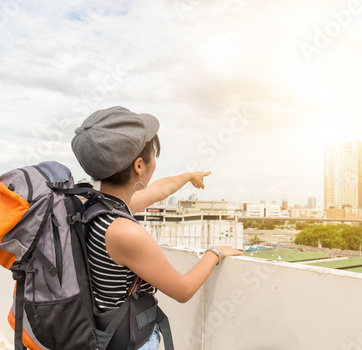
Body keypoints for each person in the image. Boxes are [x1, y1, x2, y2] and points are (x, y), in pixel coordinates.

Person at [71, 106, 243, 349]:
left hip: (105, 335)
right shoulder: (123, 231)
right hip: (131, 341)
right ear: (139, 165)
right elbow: (183, 290)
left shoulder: (94, 207)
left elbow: (156, 191)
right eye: (153, 154)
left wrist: (187, 176)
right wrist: (214, 252)